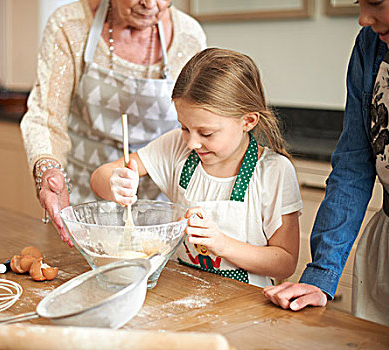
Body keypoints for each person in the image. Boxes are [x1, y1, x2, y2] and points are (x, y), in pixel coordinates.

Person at [90, 48, 303, 287]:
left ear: (248, 121)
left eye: (206, 133)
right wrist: (114, 184)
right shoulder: (175, 148)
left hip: (246, 310)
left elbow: (285, 262)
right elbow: (100, 176)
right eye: (184, 128)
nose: (192, 143)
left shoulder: (274, 172)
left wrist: (222, 245)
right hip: (182, 294)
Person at [262, 0, 389, 347]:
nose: (362, 18)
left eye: (376, 2)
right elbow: (354, 167)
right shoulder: (371, 47)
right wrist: (321, 273)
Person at [20, 0, 206, 246]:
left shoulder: (189, 36)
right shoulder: (71, 25)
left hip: (160, 206)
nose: (149, 4)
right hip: (82, 203)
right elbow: (45, 115)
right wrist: (48, 170)